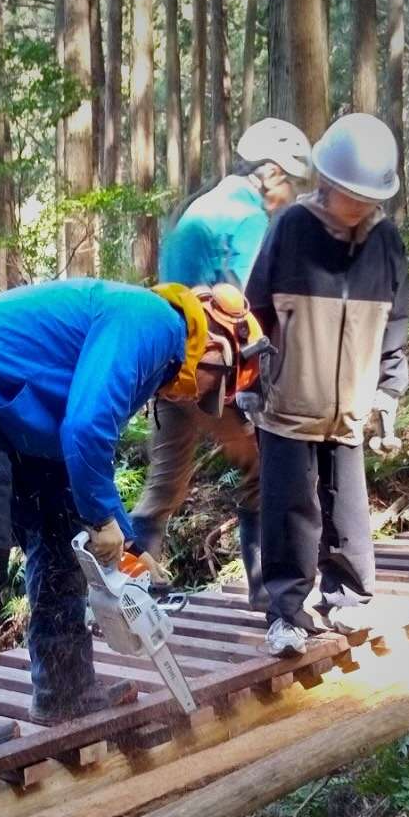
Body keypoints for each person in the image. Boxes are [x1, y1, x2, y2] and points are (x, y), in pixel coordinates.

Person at [0, 278, 262, 753]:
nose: (202, 400)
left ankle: (64, 688)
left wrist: (127, 540)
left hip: (16, 410)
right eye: (217, 388)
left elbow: (85, 440)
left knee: (62, 535)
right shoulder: (152, 324)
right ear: (215, 350)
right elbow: (87, 428)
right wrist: (104, 517)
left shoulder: (156, 341)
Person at [245, 113, 409, 658]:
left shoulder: (385, 241)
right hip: (289, 396)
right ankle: (286, 614)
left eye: (368, 197)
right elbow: (256, 308)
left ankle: (349, 597)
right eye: (350, 194)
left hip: (350, 405)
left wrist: (388, 391)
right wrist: (250, 379)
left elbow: (395, 322)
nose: (359, 205)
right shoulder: (292, 226)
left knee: (348, 509)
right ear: (327, 182)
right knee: (289, 509)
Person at [130, 119, 312, 611]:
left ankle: (130, 594)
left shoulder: (200, 207)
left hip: (168, 372)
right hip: (214, 374)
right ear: (272, 174)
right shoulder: (247, 218)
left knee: (163, 486)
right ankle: (263, 586)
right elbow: (251, 305)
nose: (292, 198)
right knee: (263, 466)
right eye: (293, 185)